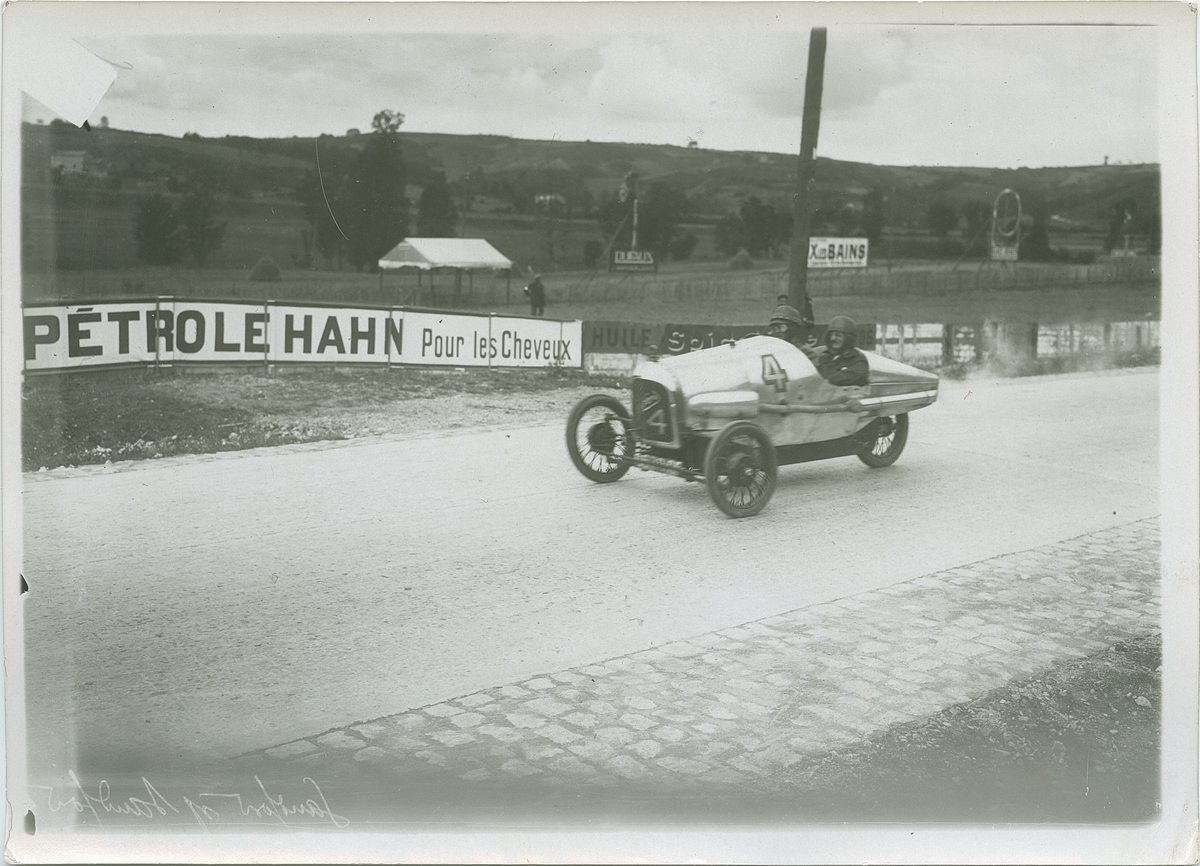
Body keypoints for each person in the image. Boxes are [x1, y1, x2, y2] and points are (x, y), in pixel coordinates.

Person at [804, 315, 870, 387]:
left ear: (849, 338)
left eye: (838, 335)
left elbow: (857, 375)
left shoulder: (857, 359)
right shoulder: (823, 358)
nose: (833, 338)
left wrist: (827, 381)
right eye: (831, 335)